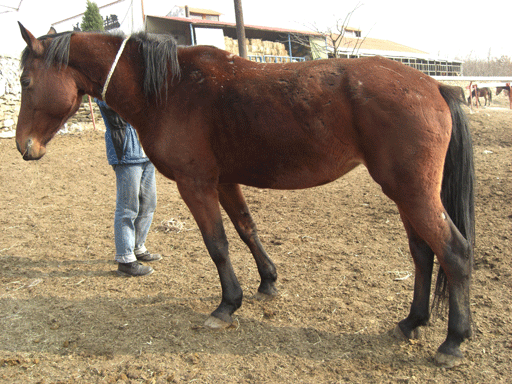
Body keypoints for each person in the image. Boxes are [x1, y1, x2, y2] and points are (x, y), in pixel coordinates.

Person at [96, 99, 161, 276]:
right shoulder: (106, 92)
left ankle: (137, 247)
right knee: (127, 207)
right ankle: (125, 259)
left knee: (149, 204)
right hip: (125, 152)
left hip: (146, 152)